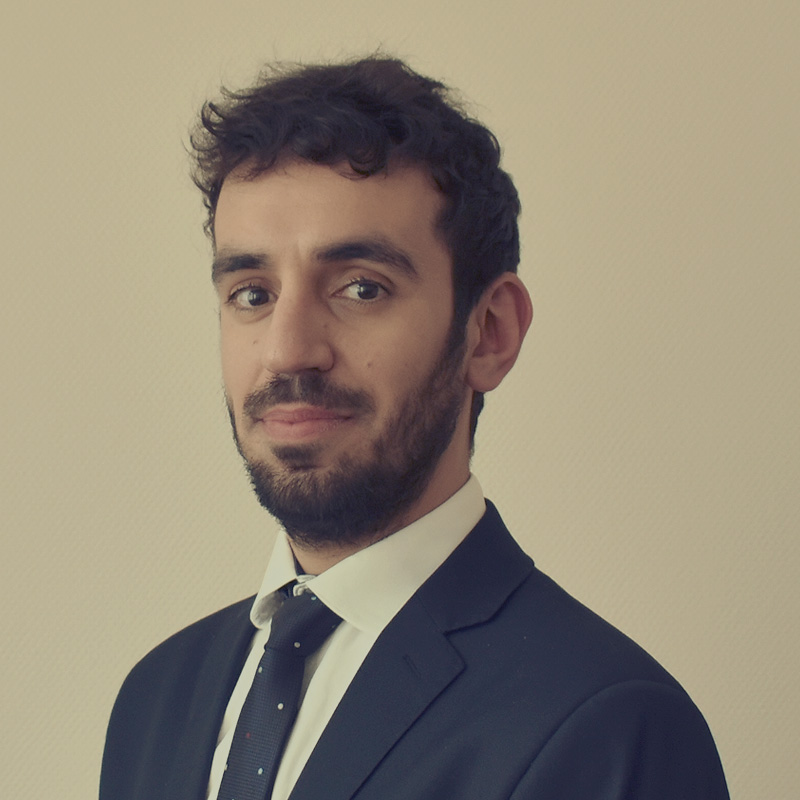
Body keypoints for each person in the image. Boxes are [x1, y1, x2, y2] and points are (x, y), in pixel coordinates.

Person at [100, 56, 729, 800]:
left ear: (489, 333)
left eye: (361, 288)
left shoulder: (612, 727)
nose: (287, 350)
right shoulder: (154, 701)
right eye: (252, 293)